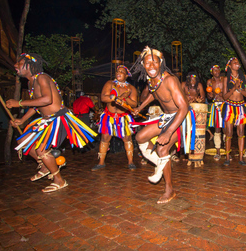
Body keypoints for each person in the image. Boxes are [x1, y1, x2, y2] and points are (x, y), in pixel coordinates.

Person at [6, 53, 98, 193]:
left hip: (58, 119)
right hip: (45, 120)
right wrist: (22, 120)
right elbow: (36, 105)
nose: (15, 65)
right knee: (23, 141)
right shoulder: (31, 82)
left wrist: (19, 103)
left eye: (19, 63)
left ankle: (59, 180)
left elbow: (47, 100)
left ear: (30, 64)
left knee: (41, 149)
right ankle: (44, 165)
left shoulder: (42, 78)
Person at [131, 46, 193, 204]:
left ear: (161, 63)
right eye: (147, 63)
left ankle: (169, 189)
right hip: (166, 117)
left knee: (162, 149)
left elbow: (184, 107)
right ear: (143, 65)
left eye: (154, 62)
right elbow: (154, 93)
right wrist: (140, 106)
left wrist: (168, 132)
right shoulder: (152, 79)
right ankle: (161, 162)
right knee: (140, 137)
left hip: (181, 118)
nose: (151, 66)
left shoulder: (170, 80)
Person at [92, 65, 138, 171]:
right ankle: (101, 162)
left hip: (123, 118)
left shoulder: (131, 88)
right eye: (118, 71)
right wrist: (116, 98)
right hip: (109, 117)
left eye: (122, 72)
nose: (119, 73)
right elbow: (103, 97)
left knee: (127, 139)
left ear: (126, 75)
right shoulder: (110, 84)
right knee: (104, 138)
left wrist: (126, 98)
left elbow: (134, 104)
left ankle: (131, 162)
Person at [222, 57, 246, 166]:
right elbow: (225, 97)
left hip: (241, 106)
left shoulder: (244, 78)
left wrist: (240, 89)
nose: (237, 64)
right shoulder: (226, 79)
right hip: (230, 106)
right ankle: (227, 157)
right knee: (229, 132)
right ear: (229, 66)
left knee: (241, 133)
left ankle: (241, 157)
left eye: (238, 63)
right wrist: (234, 88)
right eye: (235, 63)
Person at [207, 65, 225, 161]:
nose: (217, 71)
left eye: (218, 69)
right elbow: (209, 97)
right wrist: (210, 95)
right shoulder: (210, 82)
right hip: (216, 106)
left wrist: (223, 96)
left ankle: (227, 151)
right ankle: (218, 152)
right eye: (214, 70)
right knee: (217, 129)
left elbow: (228, 92)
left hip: (225, 105)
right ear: (211, 72)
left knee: (226, 129)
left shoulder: (224, 80)